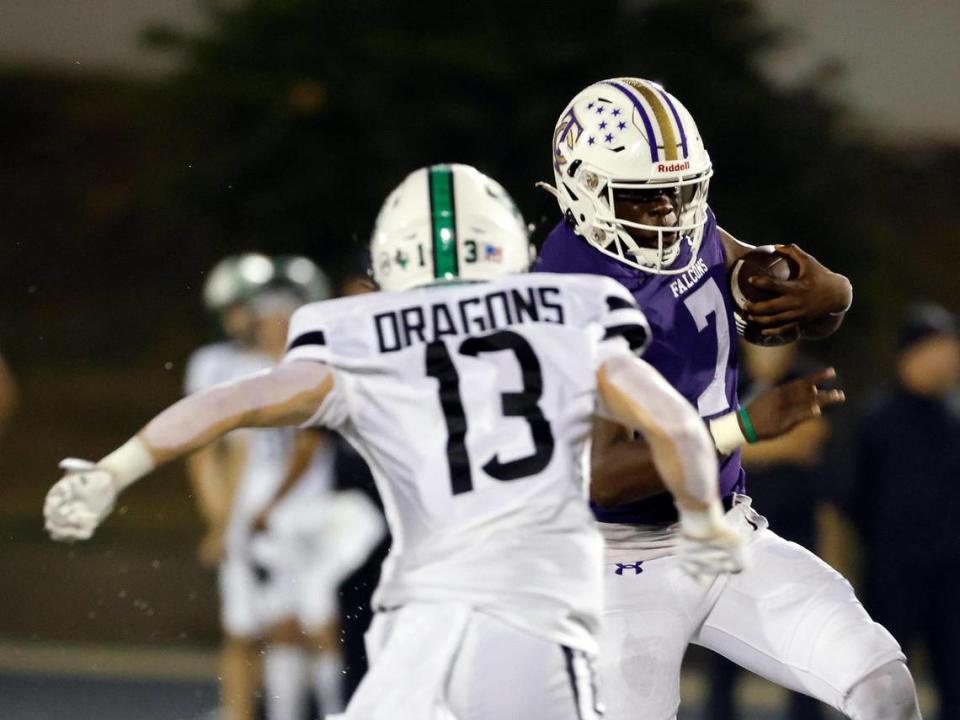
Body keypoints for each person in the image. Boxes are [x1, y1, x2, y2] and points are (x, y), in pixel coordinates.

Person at [44, 163, 744, 720]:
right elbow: (672, 422)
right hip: (535, 610)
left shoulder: (358, 333)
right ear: (509, 241)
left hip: (420, 621)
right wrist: (706, 520)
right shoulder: (573, 309)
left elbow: (230, 403)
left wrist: (116, 469)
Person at [537, 77, 920, 720]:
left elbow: (771, 304)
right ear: (585, 187)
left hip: (722, 534)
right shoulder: (570, 292)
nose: (672, 212)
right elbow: (603, 479)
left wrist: (831, 294)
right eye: (649, 196)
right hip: (612, 560)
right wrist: (739, 425)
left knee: (882, 687)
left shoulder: (682, 227)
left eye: (683, 190)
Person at [704, 342, 836, 720]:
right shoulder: (723, 374)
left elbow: (806, 443)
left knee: (803, 646)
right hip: (728, 532)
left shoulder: (808, 377)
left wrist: (732, 438)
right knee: (723, 651)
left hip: (794, 531)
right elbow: (696, 445)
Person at [847, 304, 960, 720]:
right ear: (910, 355)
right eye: (939, 347)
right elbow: (853, 497)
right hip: (893, 573)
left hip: (952, 576)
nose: (950, 357)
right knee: (886, 685)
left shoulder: (956, 415)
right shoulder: (877, 417)